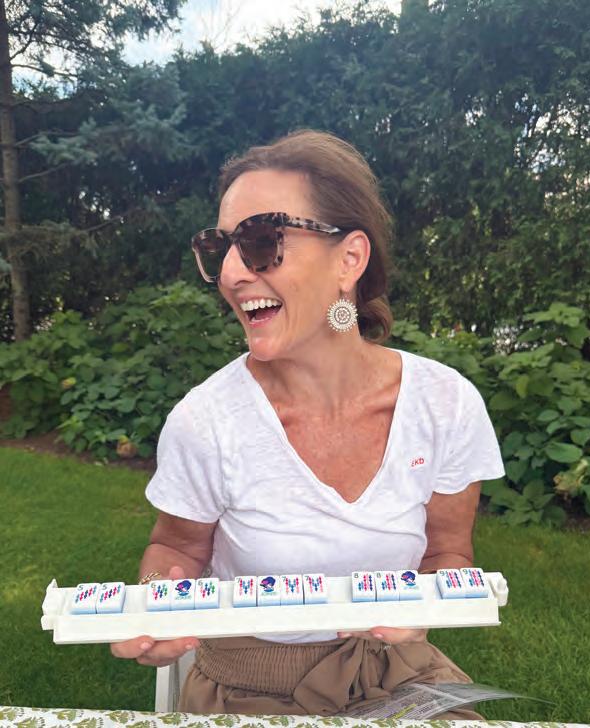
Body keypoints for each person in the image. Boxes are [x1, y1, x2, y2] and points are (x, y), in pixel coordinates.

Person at [111, 129, 505, 718]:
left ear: (350, 259)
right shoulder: (207, 420)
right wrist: (156, 606)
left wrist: (423, 610)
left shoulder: (445, 405)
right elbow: (176, 547)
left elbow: (448, 552)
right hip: (246, 686)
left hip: (394, 675)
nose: (231, 273)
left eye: (261, 242)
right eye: (222, 248)